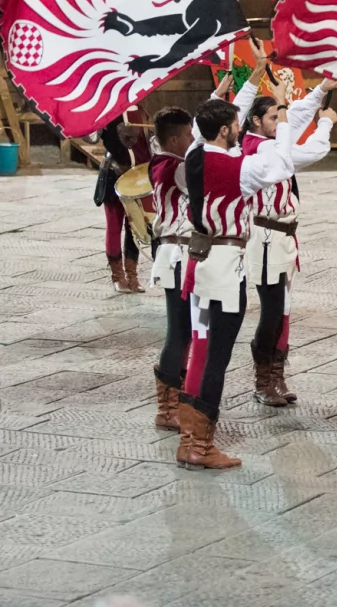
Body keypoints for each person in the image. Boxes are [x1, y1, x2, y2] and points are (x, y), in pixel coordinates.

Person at [176, 90, 295, 471]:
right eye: (235, 125)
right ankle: (202, 445)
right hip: (226, 266)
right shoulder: (238, 168)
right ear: (226, 129)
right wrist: (285, 128)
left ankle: (189, 440)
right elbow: (279, 167)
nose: (241, 129)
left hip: (200, 260)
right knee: (216, 358)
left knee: (203, 351)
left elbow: (207, 128)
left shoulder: (195, 154)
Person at [240, 48, 337, 408]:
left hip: (282, 237)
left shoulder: (271, 141)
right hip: (265, 238)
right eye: (271, 116)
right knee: (271, 310)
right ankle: (262, 378)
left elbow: (292, 120)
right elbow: (309, 150)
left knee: (282, 309)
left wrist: (321, 89)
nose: (279, 122)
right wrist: (325, 122)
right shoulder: (259, 149)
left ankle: (277, 376)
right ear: (254, 122)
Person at [149, 107, 195, 433]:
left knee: (185, 328)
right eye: (190, 135)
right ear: (176, 139)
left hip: (179, 251)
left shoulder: (165, 162)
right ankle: (167, 408)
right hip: (176, 252)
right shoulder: (174, 168)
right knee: (179, 330)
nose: (193, 140)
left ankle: (175, 398)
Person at [98, 108, 151, 293]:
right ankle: (117, 276)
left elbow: (149, 143)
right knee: (114, 225)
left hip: (138, 177)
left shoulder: (143, 111)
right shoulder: (108, 108)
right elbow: (91, 137)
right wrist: (97, 124)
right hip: (114, 173)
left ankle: (132, 275)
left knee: (134, 227)